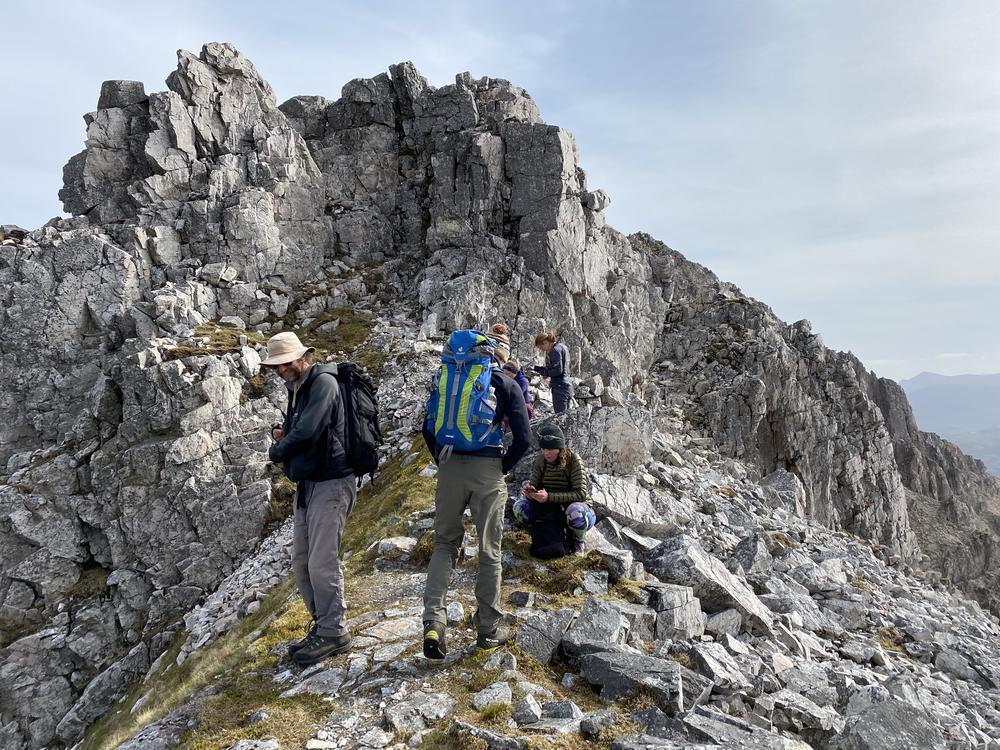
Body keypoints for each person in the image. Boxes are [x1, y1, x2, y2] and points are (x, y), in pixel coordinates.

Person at [421, 332, 531, 658]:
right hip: (488, 469)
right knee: (489, 549)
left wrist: (442, 460)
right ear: (492, 355)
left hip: (450, 466)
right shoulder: (506, 384)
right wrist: (501, 468)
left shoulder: (446, 379)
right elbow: (524, 439)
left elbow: (428, 427)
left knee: (444, 544)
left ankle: (434, 622)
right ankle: (488, 630)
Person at [263, 332, 356, 666]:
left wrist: (277, 450)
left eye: (284, 363)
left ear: (302, 357)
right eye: (275, 366)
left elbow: (308, 431)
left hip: (332, 483)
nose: (280, 370)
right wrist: (283, 433)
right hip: (310, 484)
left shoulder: (323, 384)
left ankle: (334, 632)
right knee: (301, 563)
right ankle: (323, 625)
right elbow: (301, 430)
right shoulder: (298, 388)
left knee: (321, 562)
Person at [513, 423, 596, 556]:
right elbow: (534, 484)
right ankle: (541, 534)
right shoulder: (540, 461)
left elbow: (581, 493)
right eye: (543, 449)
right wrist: (531, 492)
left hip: (574, 508)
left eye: (551, 449)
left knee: (577, 513)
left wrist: (549, 497)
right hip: (551, 510)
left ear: (560, 448)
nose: (546, 453)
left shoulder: (573, 460)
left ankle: (578, 540)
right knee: (519, 507)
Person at [533, 331, 573, 414]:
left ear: (545, 342)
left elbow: (558, 370)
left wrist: (544, 372)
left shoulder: (555, 350)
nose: (541, 350)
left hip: (559, 387)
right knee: (567, 416)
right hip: (567, 386)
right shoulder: (563, 347)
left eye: (540, 347)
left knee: (560, 416)